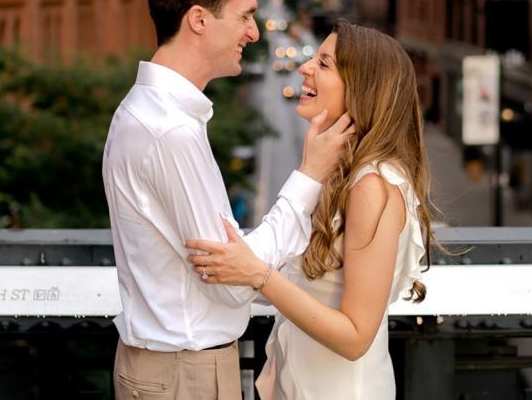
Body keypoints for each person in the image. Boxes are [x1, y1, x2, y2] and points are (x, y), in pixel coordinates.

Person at [102, 0, 354, 400]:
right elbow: (230, 284)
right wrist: (310, 175)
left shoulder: (152, 114)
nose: (255, 33)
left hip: (173, 368)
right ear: (199, 20)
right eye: (245, 17)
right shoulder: (169, 131)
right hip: (184, 375)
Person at [186, 20, 436, 400]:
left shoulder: (373, 185)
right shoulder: (343, 172)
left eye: (324, 64)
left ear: (362, 87)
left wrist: (258, 275)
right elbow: (310, 286)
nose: (305, 68)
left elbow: (355, 337)